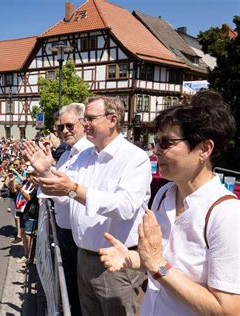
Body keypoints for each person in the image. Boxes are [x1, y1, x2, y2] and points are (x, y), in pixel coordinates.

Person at [99, 91, 240, 315]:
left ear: (204, 149)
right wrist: (131, 258)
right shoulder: (165, 193)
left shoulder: (226, 214)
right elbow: (159, 262)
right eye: (156, 142)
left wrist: (157, 266)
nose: (156, 150)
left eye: (166, 143)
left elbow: (229, 309)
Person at [25, 96, 151, 315]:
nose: (85, 124)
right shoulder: (85, 155)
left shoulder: (134, 158)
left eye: (90, 119)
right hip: (84, 255)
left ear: (113, 120)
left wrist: (74, 189)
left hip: (115, 264)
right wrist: (46, 172)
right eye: (85, 119)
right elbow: (65, 196)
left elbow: (125, 207)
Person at [37, 103, 93, 316]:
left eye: (69, 125)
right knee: (71, 291)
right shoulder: (66, 154)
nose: (64, 131)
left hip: (79, 236)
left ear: (83, 123)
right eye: (60, 128)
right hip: (66, 232)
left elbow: (73, 192)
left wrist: (52, 182)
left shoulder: (88, 152)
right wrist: (45, 171)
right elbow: (58, 187)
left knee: (79, 297)